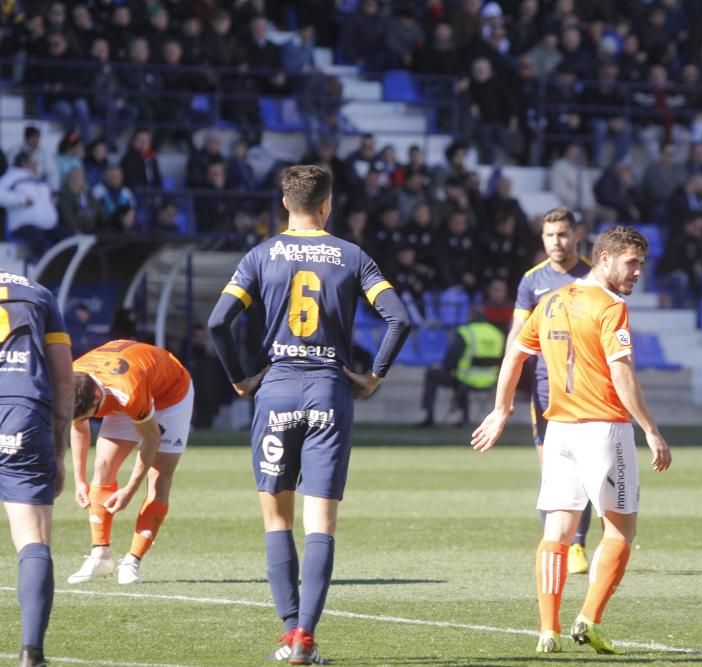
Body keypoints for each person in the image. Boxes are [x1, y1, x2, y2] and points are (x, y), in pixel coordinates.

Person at [207, 165, 411, 664]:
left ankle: (285, 631)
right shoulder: (351, 256)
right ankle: (305, 640)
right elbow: (398, 318)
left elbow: (218, 323)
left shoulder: (260, 256)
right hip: (329, 393)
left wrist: (239, 377)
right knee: (320, 522)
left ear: (285, 203)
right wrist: (374, 375)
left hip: (274, 391)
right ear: (327, 204)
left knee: (277, 521)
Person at [472, 225, 671, 656]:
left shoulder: (550, 301)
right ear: (604, 259)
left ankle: (548, 630)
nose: (638, 271)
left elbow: (515, 354)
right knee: (620, 530)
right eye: (631, 262)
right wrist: (651, 429)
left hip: (558, 429)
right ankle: (589, 619)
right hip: (604, 429)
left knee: (558, 532)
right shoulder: (611, 306)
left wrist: (502, 409)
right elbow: (621, 373)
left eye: (641, 263)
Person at [508, 207, 594, 574]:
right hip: (546, 385)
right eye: (549, 236)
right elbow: (517, 336)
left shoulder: (593, 275)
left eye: (562, 234)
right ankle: (554, 543)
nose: (556, 242)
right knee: (552, 472)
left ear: (576, 234)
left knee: (584, 470)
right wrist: (508, 384)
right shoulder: (531, 281)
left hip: (588, 384)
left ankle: (577, 545)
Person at [67, 340, 194, 585]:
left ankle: (133, 560)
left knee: (159, 478)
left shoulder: (128, 391)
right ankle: (100, 555)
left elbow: (151, 439)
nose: (89, 420)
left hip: (170, 394)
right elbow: (78, 425)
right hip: (127, 388)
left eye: (91, 414)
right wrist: (79, 480)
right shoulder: (71, 380)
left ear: (96, 396)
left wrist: (129, 490)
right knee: (103, 467)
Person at [0, 270, 73, 667]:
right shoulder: (37, 292)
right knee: (33, 539)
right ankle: (31, 652)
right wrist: (59, 453)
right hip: (22, 414)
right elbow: (64, 380)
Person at [419, 311, 505, 427]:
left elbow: (451, 359)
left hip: (465, 379)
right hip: (491, 381)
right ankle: (464, 418)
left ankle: (429, 417)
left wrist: (448, 368)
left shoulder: (466, 332)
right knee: (461, 379)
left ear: (471, 317)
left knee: (433, 374)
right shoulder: (497, 333)